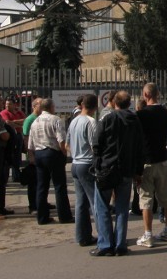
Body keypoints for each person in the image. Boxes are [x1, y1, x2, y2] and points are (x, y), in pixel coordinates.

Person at [90, 91, 143, 257]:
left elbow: (97, 144)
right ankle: (120, 244)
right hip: (126, 170)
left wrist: (97, 165)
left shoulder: (108, 119)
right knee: (122, 208)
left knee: (102, 207)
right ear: (129, 104)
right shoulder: (135, 121)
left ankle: (105, 244)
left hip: (107, 168)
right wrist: (138, 171)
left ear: (114, 103)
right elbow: (140, 148)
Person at [136, 83, 167, 248]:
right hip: (162, 159)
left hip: (146, 160)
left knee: (146, 199)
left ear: (145, 95)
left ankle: (148, 234)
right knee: (165, 197)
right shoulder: (165, 113)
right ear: (157, 94)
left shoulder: (141, 115)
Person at [28, 98, 73, 225]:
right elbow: (61, 140)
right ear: (51, 107)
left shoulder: (35, 121)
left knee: (42, 187)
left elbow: (30, 144)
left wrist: (32, 156)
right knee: (59, 186)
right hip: (53, 153)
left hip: (39, 154)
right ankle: (64, 216)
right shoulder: (55, 120)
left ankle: (42, 217)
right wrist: (64, 154)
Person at [67, 93, 98, 247]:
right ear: (95, 106)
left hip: (75, 163)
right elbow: (95, 146)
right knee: (95, 202)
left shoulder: (74, 122)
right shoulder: (91, 122)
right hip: (87, 164)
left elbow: (68, 143)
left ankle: (82, 236)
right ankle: (104, 236)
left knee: (81, 203)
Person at [22, 97, 43, 213]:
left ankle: (41, 202)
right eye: (40, 104)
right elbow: (26, 137)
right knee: (33, 182)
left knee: (41, 180)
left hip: (40, 152)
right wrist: (30, 154)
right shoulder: (29, 120)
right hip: (33, 153)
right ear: (34, 106)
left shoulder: (41, 118)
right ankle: (33, 206)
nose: (42, 106)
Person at [0, 97, 26, 182]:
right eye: (6, 104)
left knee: (18, 155)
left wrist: (14, 121)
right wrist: (19, 124)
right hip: (10, 136)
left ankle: (16, 175)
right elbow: (7, 123)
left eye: (10, 104)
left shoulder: (19, 112)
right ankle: (7, 176)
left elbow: (25, 121)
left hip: (18, 135)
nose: (7, 106)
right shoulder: (4, 113)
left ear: (14, 105)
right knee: (10, 155)